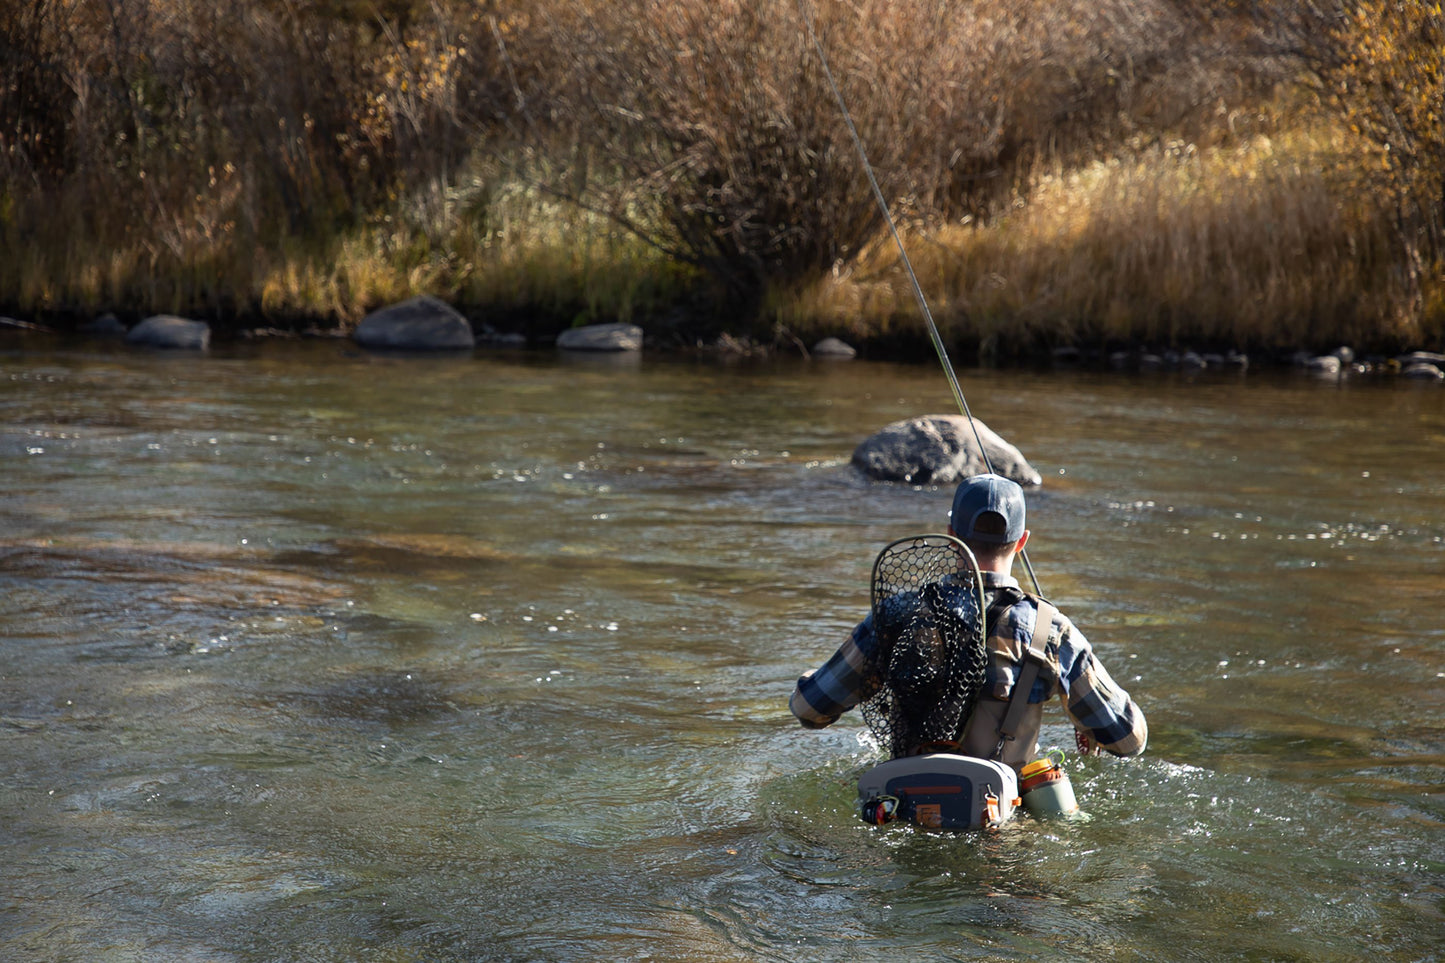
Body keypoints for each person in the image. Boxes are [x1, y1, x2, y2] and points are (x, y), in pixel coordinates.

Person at [789, 473, 1147, 772]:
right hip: (999, 830)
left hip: (905, 808)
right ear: (1021, 542)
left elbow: (810, 709)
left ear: (951, 534)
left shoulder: (898, 614)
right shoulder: (1049, 630)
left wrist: (811, 677)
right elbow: (1128, 740)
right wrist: (1084, 721)